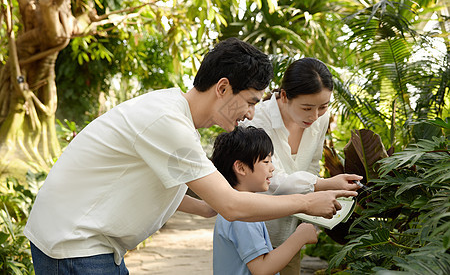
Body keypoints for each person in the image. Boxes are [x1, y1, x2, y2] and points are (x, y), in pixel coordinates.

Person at [24, 39, 357, 274]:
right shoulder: (169, 123)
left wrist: (205, 205)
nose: (251, 114)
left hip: (85, 244)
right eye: (252, 101)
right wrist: (305, 203)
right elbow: (232, 205)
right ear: (223, 88)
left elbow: (172, 185)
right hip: (75, 246)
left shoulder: (172, 115)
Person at [243, 57, 363, 274]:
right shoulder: (255, 120)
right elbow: (269, 180)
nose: (315, 116)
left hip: (291, 233)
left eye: (323, 107)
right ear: (285, 96)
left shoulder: (319, 119)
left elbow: (311, 166)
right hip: (253, 231)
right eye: (307, 107)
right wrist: (322, 184)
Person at [211, 126, 319, 275]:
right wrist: (300, 237)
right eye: (266, 161)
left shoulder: (241, 207)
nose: (272, 168)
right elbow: (262, 269)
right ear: (241, 168)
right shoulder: (243, 216)